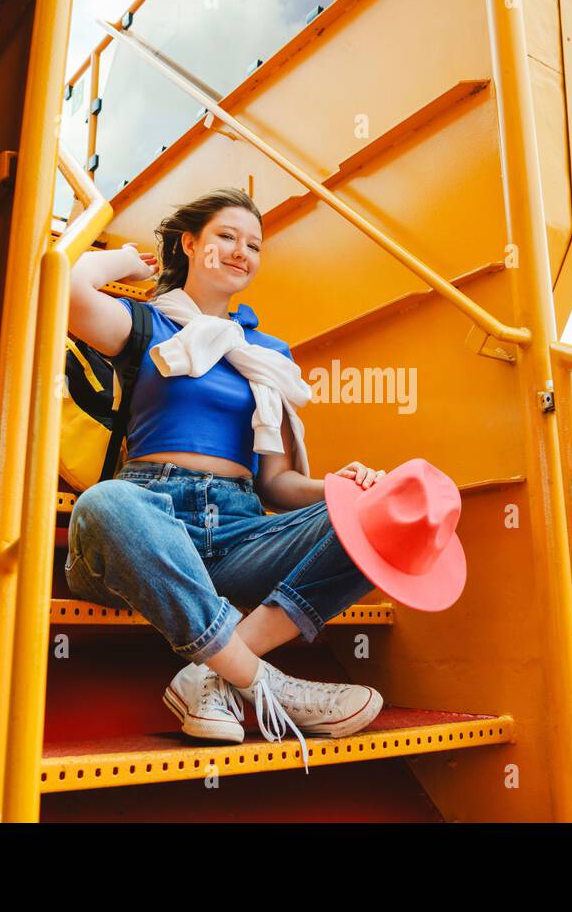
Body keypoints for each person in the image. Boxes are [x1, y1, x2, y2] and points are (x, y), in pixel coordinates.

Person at [64, 187, 386, 766]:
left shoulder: (267, 353)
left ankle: (207, 676)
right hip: (146, 522)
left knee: (380, 518)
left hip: (238, 531)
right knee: (106, 503)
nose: (242, 251)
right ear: (190, 244)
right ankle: (265, 683)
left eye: (254, 245)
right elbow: (61, 287)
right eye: (227, 237)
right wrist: (127, 264)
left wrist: (340, 489)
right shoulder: (147, 325)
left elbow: (278, 485)